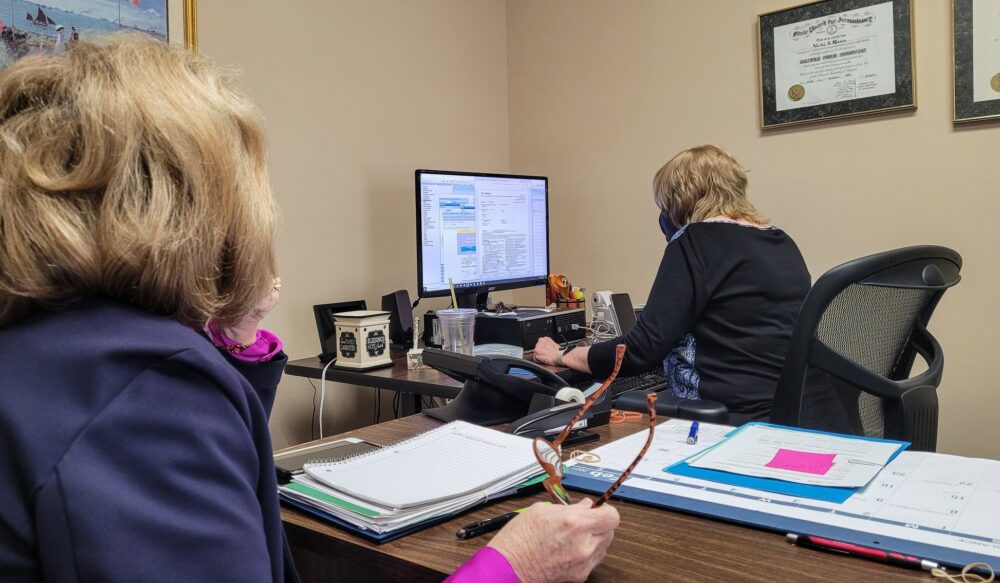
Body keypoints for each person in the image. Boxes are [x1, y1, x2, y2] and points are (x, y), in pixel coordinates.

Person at [0, 35, 618, 582]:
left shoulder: (52, 354)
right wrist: (512, 568)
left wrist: (227, 332)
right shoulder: (143, 392)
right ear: (189, 207)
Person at [534, 145, 812, 424]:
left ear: (679, 200)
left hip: (728, 421)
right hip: (794, 414)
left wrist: (563, 354)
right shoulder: (781, 242)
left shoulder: (696, 241)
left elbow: (640, 350)